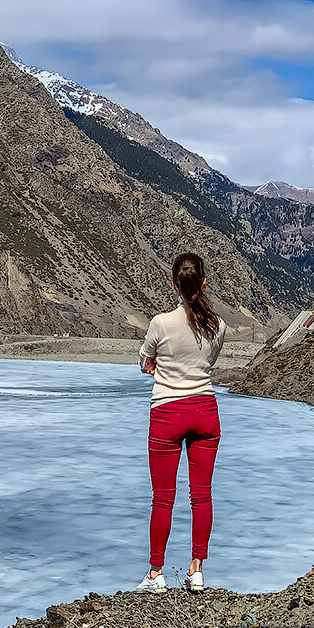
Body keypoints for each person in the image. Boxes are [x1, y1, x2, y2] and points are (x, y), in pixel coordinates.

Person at [135, 253, 227, 594]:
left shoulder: (161, 323)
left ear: (175, 284)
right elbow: (207, 364)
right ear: (203, 283)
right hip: (205, 411)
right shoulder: (219, 325)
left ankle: (156, 573)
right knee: (201, 495)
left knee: (163, 497)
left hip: (167, 414)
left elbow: (146, 363)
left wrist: (159, 364)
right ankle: (197, 569)